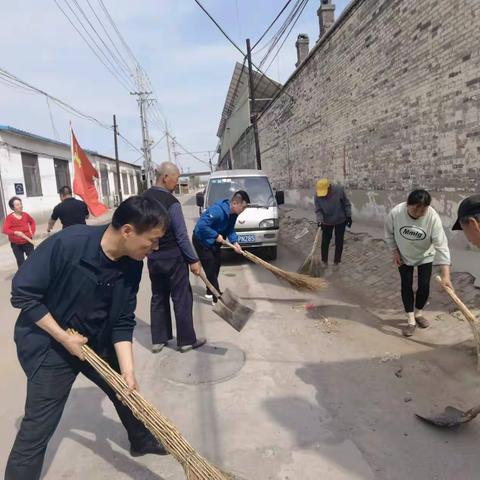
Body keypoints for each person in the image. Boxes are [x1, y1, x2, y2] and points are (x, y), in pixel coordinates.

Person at [5, 196, 169, 480]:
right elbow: (23, 295)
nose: (154, 249)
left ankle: (141, 440)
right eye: (152, 240)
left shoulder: (132, 263)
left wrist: (128, 373)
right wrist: (63, 338)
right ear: (128, 231)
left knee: (126, 392)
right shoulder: (69, 244)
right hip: (52, 345)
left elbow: (122, 320)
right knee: (36, 429)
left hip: (96, 340)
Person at [144, 162, 206, 354]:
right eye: (176, 179)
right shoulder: (171, 203)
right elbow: (181, 235)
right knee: (181, 298)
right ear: (165, 177)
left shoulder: (142, 199)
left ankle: (158, 340)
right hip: (174, 258)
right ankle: (186, 340)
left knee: (158, 296)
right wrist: (193, 259)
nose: (177, 183)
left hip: (154, 258)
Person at [385, 189, 453, 337]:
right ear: (408, 204)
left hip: (425, 255)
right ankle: (410, 320)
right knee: (406, 284)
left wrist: (446, 276)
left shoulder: (432, 217)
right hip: (403, 255)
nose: (420, 213)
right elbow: (388, 233)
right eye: (416, 209)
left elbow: (441, 246)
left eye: (423, 210)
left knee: (424, 285)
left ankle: (419, 313)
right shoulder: (396, 213)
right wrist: (394, 251)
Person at [192, 190, 249, 303]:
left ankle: (210, 290)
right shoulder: (217, 211)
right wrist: (215, 235)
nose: (243, 211)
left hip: (214, 242)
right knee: (211, 268)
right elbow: (201, 225)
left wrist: (235, 243)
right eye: (242, 208)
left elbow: (230, 229)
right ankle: (217, 297)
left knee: (217, 264)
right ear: (234, 203)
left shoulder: (233, 214)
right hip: (202, 241)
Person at [314, 178, 352, 267]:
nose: (323, 195)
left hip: (340, 220)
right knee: (325, 241)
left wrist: (349, 216)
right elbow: (318, 210)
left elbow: (346, 203)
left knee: (339, 241)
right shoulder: (317, 195)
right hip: (326, 222)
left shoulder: (339, 190)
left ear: (329, 187)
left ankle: (337, 261)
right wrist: (319, 220)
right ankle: (324, 261)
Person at [2, 197, 36, 268]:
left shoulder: (25, 215)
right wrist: (15, 232)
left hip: (28, 241)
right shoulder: (9, 218)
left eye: (20, 204)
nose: (20, 206)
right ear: (12, 207)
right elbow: (5, 230)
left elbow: (32, 222)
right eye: (17, 205)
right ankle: (22, 277)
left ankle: (33, 275)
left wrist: (32, 232)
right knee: (21, 262)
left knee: (33, 259)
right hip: (16, 245)